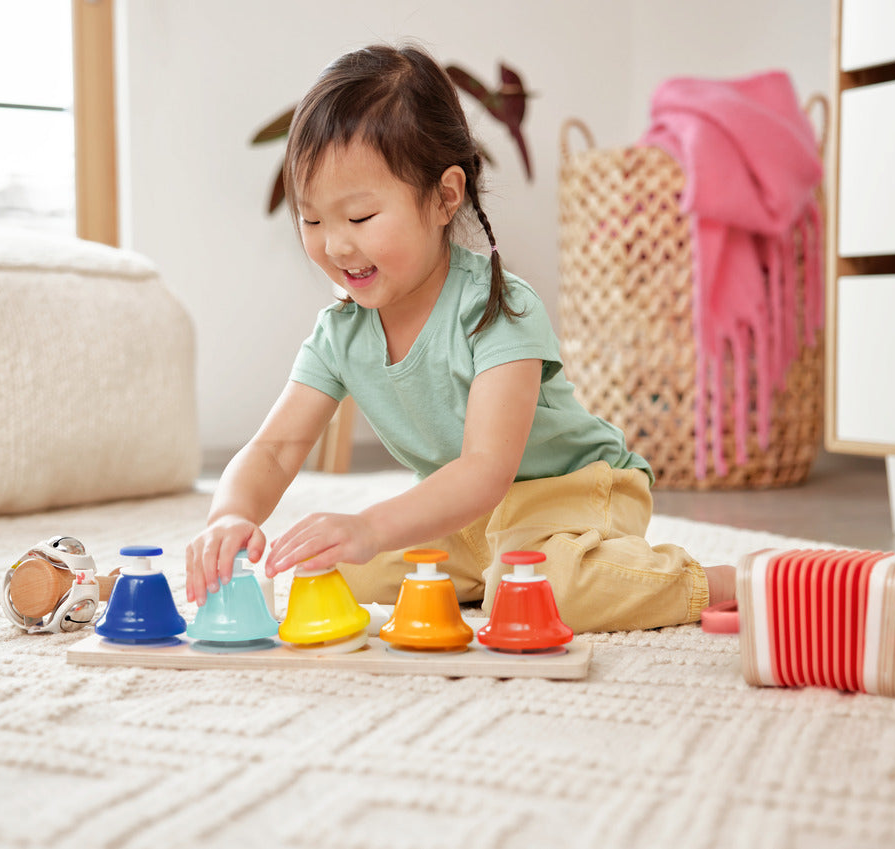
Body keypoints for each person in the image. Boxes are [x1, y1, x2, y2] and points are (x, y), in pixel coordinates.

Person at [185, 43, 734, 632]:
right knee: (339, 571)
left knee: (541, 592)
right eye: (313, 219)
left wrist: (371, 526)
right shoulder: (340, 334)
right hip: (472, 520)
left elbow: (485, 469)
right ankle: (489, 569)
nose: (336, 245)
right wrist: (230, 515)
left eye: (361, 217)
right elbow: (275, 449)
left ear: (447, 196)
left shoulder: (499, 307)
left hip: (569, 494)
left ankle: (724, 583)